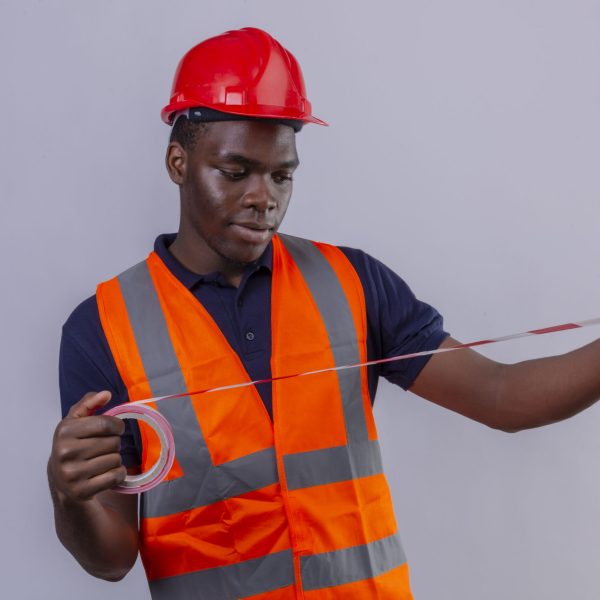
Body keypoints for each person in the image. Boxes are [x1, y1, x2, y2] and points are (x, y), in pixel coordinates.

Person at [47, 27, 600, 599]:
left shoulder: (352, 283)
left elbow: (502, 397)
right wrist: (70, 496)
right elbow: (110, 559)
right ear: (178, 161)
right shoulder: (104, 328)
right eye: (236, 172)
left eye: (282, 175)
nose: (264, 197)